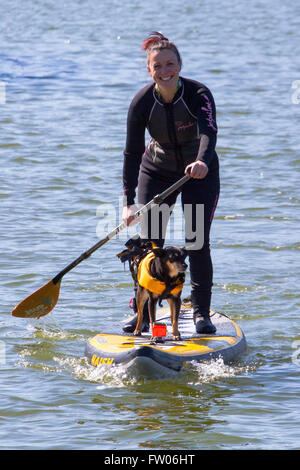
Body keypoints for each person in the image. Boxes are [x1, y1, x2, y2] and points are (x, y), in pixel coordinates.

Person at [122, 32, 220, 334]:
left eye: (170, 64)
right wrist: (129, 202)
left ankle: (200, 311)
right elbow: (131, 152)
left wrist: (202, 160)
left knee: (196, 239)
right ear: (148, 70)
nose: (165, 71)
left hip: (197, 172)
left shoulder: (198, 94)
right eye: (157, 66)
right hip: (157, 170)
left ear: (179, 64)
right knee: (149, 247)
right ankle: (144, 310)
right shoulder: (141, 102)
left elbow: (208, 131)